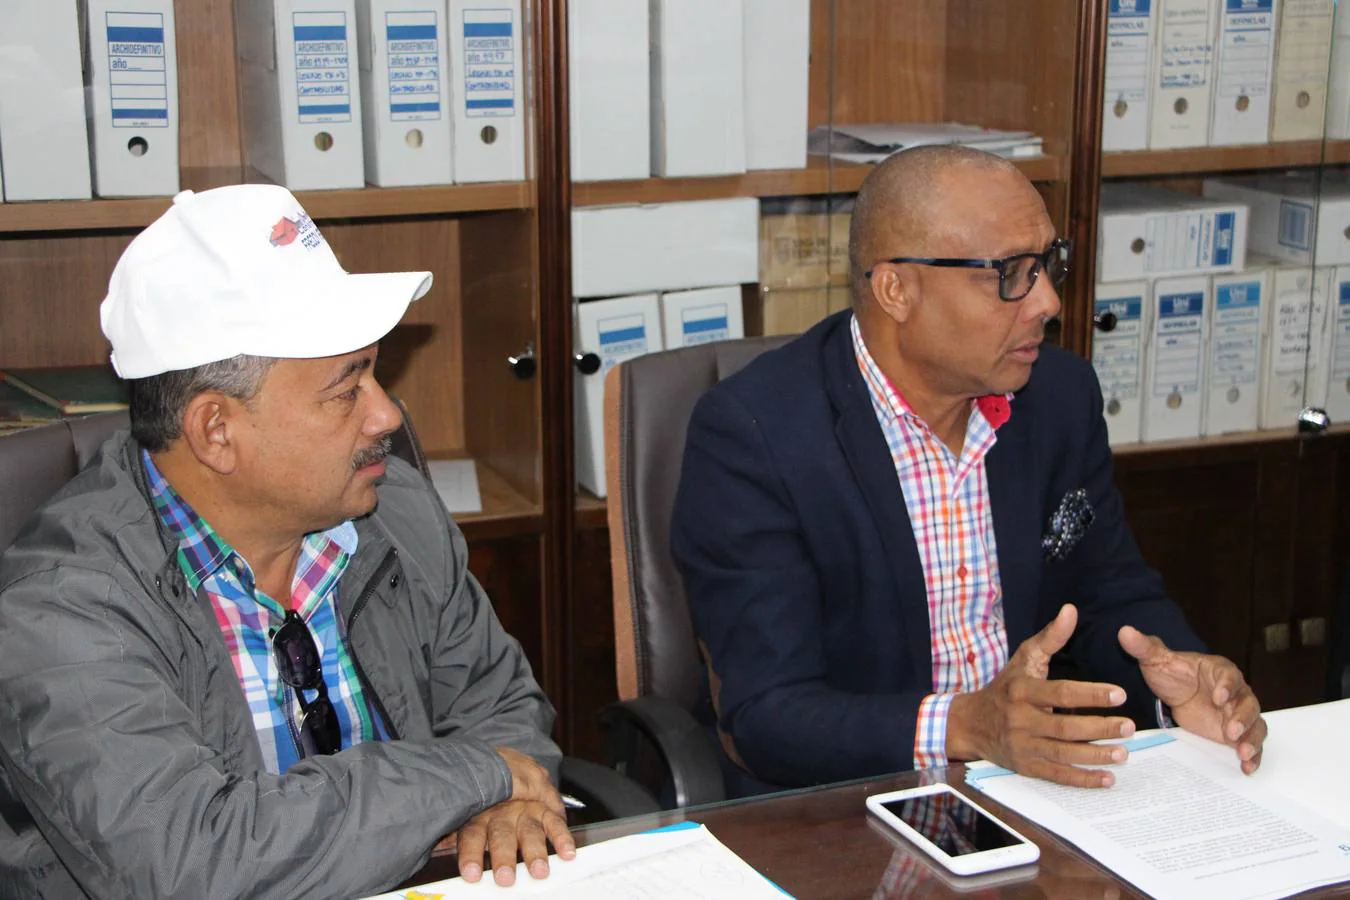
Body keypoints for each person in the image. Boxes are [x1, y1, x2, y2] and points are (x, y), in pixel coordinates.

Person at [0, 184, 574, 898]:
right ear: (217, 431)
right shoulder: (60, 609)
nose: (388, 414)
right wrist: (470, 775)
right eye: (347, 387)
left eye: (376, 372)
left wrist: (511, 799)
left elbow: (501, 704)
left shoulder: (394, 511)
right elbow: (190, 866)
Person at [671, 145, 1267, 797]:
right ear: (897, 288)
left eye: (1048, 264)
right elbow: (768, 716)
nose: (1047, 301)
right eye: (1010, 272)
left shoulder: (1058, 397)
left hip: (1029, 788)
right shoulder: (754, 436)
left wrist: (1178, 677)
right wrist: (966, 725)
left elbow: (1107, 589)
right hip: (843, 804)